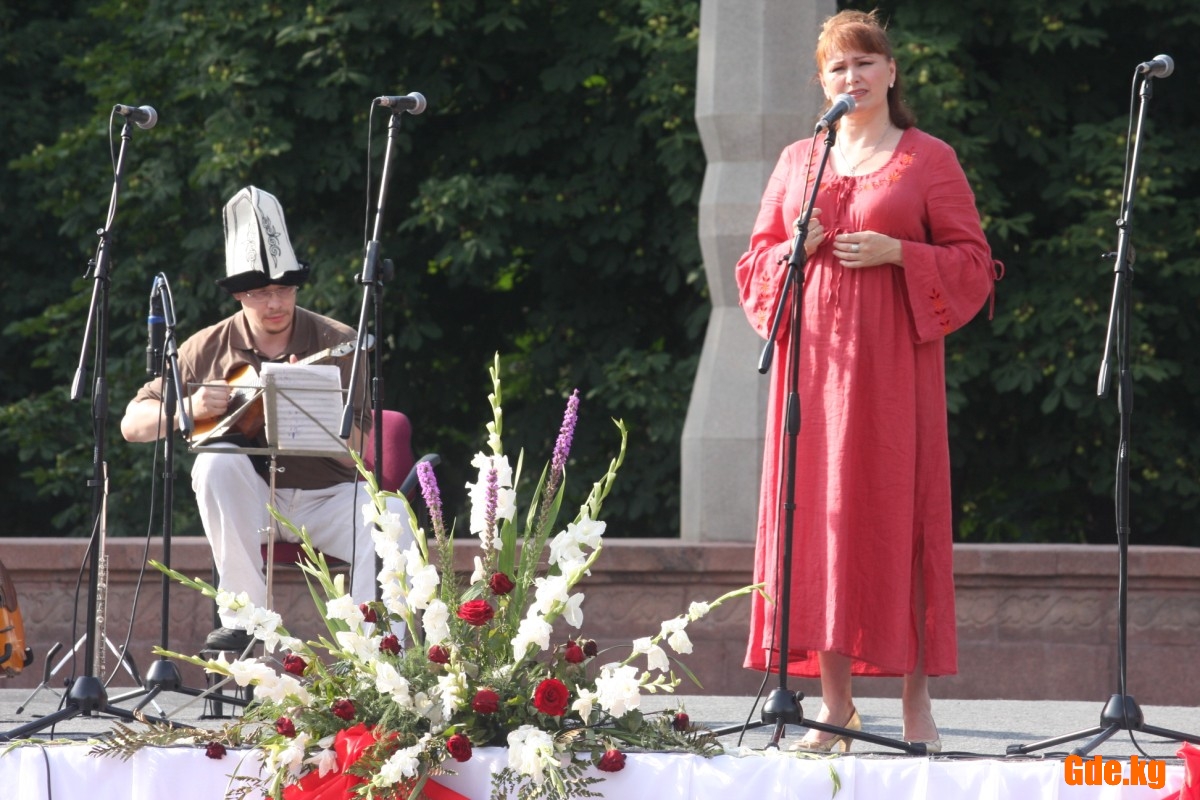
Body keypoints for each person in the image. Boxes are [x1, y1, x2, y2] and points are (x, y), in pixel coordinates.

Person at [737, 10, 1000, 753]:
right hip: (812, 372)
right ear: (823, 83)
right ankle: (836, 708)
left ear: (890, 71)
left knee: (899, 519)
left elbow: (974, 265)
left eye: (864, 63)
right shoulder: (799, 160)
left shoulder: (929, 159)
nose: (851, 77)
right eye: (837, 68)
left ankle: (917, 702)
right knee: (818, 521)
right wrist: (793, 251)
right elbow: (753, 266)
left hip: (893, 374)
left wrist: (900, 253)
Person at [121, 186, 409, 652]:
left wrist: (313, 400)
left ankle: (378, 652)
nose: (274, 303)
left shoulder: (338, 341)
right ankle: (246, 617)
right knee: (215, 462)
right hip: (251, 502)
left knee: (392, 516)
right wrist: (191, 409)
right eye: (259, 293)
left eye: (283, 289)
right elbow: (132, 424)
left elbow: (358, 448)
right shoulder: (205, 347)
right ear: (239, 294)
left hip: (326, 495)